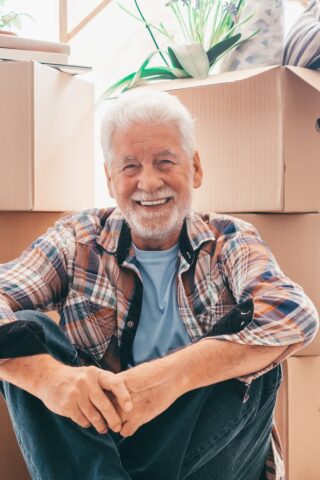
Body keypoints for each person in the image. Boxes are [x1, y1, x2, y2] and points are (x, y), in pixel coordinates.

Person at [0, 88, 318, 480]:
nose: (148, 183)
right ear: (109, 177)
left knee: (261, 351)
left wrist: (168, 379)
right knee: (28, 332)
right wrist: (50, 379)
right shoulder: (77, 239)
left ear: (196, 168)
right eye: (130, 167)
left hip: (208, 455)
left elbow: (295, 313)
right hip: (103, 450)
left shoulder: (230, 239)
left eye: (165, 161)